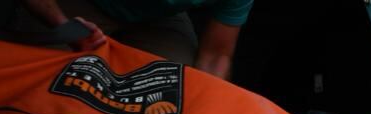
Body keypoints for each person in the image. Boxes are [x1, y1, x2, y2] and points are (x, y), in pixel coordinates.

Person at [16, 0, 253, 79]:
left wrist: (209, 109)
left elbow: (216, 55)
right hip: (83, 4)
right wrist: (62, 24)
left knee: (176, 86)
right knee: (44, 71)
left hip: (156, 17)